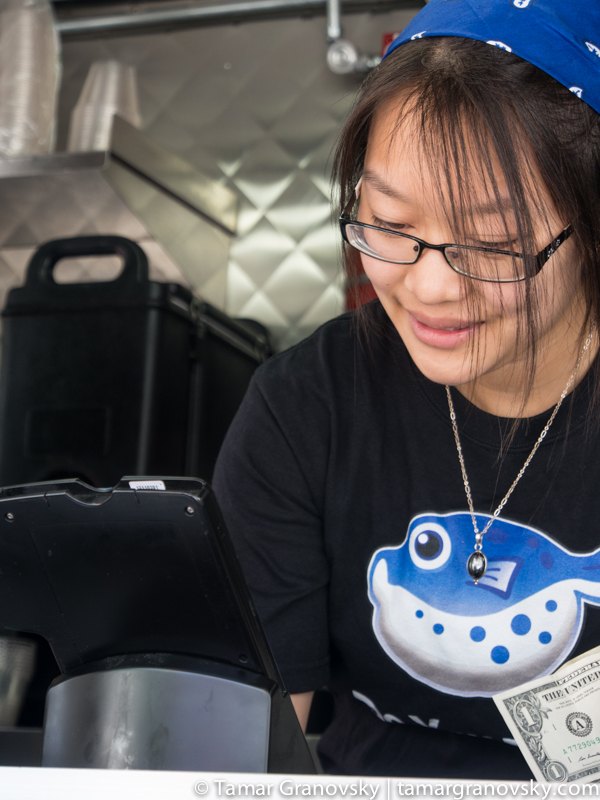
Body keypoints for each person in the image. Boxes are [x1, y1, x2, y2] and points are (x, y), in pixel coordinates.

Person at [213, 0, 600, 779]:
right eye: (389, 222)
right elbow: (244, 750)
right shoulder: (306, 408)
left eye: (491, 243)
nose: (429, 287)